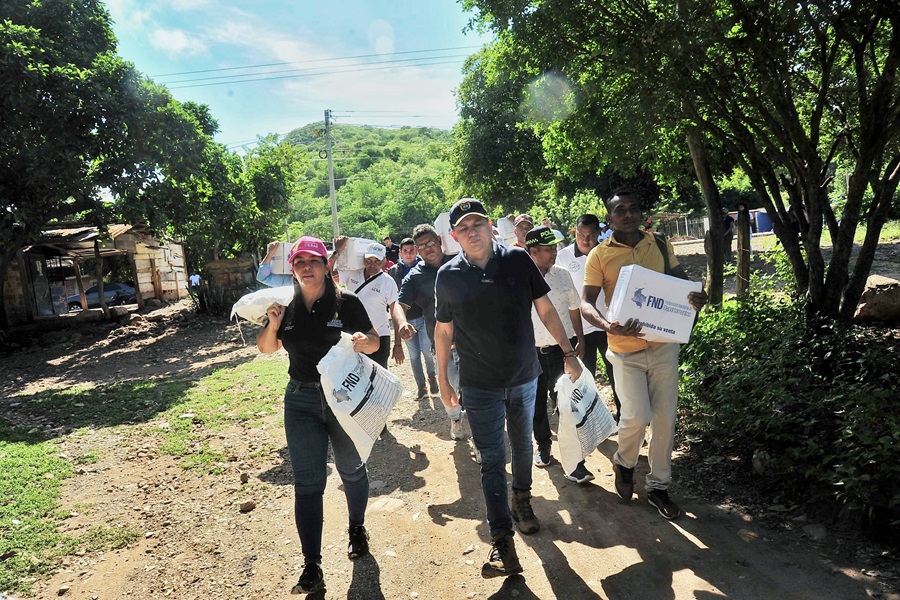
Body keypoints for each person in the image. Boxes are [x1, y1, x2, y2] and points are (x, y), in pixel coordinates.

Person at [434, 198, 582, 579]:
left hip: (523, 376)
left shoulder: (518, 260)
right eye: (463, 227)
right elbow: (444, 329)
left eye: (477, 223)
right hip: (479, 383)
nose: (472, 231)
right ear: (454, 236)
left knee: (523, 445)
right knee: (490, 458)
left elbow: (546, 309)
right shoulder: (448, 275)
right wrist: (442, 377)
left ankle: (522, 500)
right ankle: (502, 542)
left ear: (489, 226)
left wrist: (568, 351)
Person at [256, 236, 381, 594]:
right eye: (299, 262)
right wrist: (274, 324)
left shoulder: (347, 302)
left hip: (343, 400)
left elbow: (374, 342)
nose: (306, 268)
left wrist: (364, 342)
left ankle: (356, 527)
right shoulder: (285, 306)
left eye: (313, 261)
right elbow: (266, 348)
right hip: (301, 401)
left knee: (352, 470)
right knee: (308, 485)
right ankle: (312, 565)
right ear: (292, 269)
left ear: (327, 265)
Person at [581, 191, 708, 522]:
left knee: (665, 417)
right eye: (619, 210)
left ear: (641, 213)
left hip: (664, 346)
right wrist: (609, 325)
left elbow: (682, 285)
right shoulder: (599, 255)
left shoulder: (660, 244)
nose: (627, 214)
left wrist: (697, 295)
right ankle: (625, 462)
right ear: (609, 219)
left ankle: (658, 486)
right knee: (636, 416)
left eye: (633, 208)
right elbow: (586, 303)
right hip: (625, 352)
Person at [525, 226, 589, 482]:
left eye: (555, 248)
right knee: (537, 405)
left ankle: (575, 461)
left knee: (567, 404)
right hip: (531, 354)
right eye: (549, 249)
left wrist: (580, 341)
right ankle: (543, 446)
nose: (554, 253)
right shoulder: (519, 279)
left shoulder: (562, 275)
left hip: (563, 352)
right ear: (533, 251)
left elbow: (574, 309)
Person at [390, 224, 466, 438]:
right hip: (444, 346)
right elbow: (398, 305)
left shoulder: (460, 263)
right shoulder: (414, 276)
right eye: (422, 246)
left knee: (473, 391)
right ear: (417, 250)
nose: (428, 248)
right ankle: (456, 420)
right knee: (449, 391)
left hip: (471, 342)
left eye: (431, 242)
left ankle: (481, 438)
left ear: (440, 241)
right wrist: (403, 322)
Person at [556, 214, 621, 422]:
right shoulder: (563, 257)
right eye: (581, 234)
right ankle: (592, 421)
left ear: (599, 233)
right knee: (585, 377)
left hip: (607, 325)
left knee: (616, 374)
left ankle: (623, 418)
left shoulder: (607, 253)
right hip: (579, 329)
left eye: (591, 235)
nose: (585, 240)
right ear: (574, 232)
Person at [330, 238, 400, 369]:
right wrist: (337, 251)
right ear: (364, 260)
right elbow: (326, 274)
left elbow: (395, 313)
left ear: (384, 261)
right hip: (353, 337)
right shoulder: (352, 274)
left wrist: (398, 344)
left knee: (378, 379)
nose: (372, 264)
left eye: (377, 261)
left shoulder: (388, 282)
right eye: (369, 260)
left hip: (379, 336)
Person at [388, 238, 438, 398]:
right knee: (414, 356)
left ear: (416, 251)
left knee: (427, 351)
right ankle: (421, 386)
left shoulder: (423, 268)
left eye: (411, 251)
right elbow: (393, 299)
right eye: (405, 251)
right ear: (400, 252)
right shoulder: (395, 271)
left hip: (423, 317)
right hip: (406, 320)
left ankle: (432, 376)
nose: (408, 254)